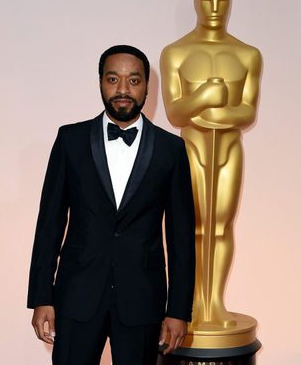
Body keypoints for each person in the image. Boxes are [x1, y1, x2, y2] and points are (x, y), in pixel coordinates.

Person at [27, 45, 196, 365]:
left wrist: (177, 310)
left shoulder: (171, 149)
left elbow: (181, 236)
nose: (122, 90)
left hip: (143, 298)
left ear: (148, 86)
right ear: (100, 83)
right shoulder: (70, 140)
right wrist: (41, 297)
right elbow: (49, 223)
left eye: (133, 81)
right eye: (113, 79)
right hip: (77, 294)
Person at [160, 0, 262, 330]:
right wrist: (204, 97)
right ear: (195, 1)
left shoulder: (248, 54)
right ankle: (189, 302)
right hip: (191, 147)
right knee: (191, 226)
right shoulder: (176, 53)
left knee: (221, 226)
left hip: (229, 148)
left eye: (222, 0)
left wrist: (213, 111)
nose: (215, 8)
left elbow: (248, 110)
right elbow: (175, 111)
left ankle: (214, 301)